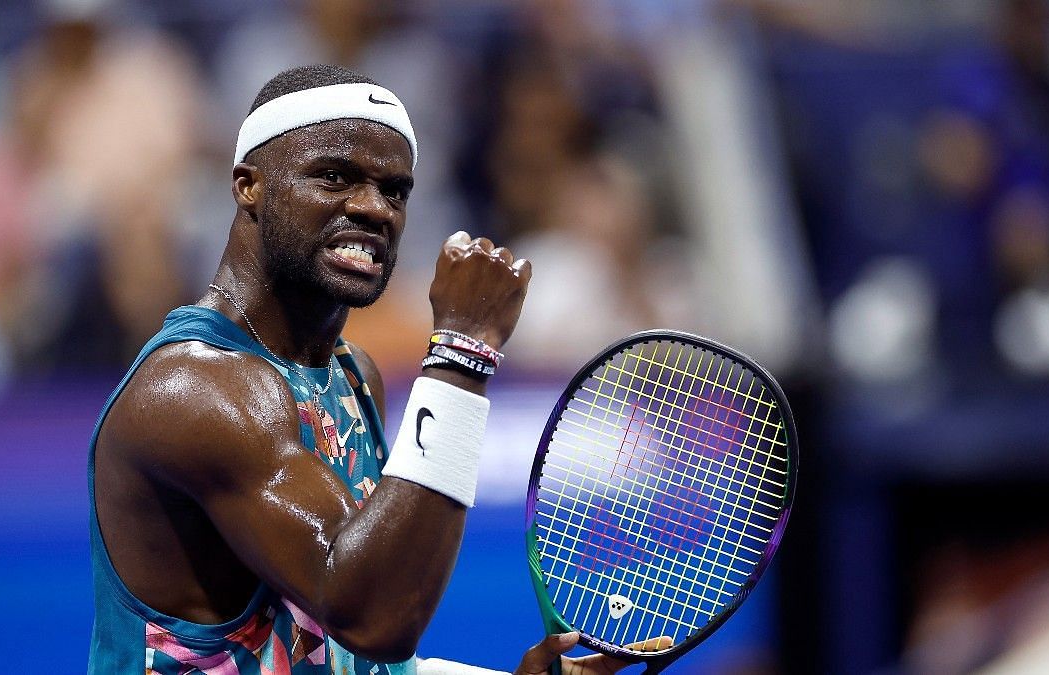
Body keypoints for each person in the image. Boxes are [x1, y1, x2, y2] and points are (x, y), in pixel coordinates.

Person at [87, 64, 646, 674]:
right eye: (334, 177)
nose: (373, 209)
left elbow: (350, 655)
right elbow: (375, 619)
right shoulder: (196, 390)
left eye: (394, 190)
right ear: (249, 186)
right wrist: (462, 354)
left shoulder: (354, 375)